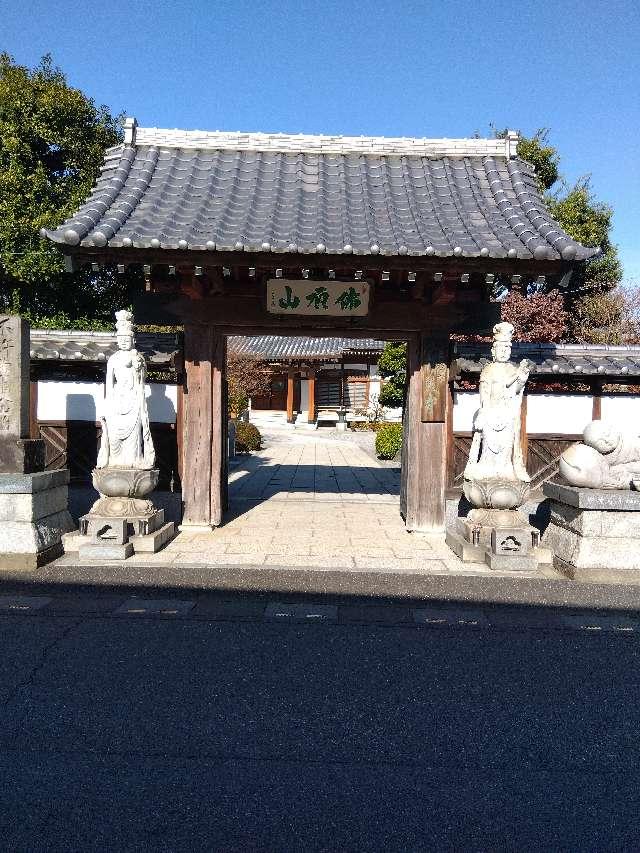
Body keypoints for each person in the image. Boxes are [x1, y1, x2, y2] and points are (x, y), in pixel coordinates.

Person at [464, 322, 530, 483]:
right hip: (491, 412)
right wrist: (483, 413)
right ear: (493, 351)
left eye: (507, 348)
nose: (503, 352)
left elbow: (515, 391)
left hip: (507, 414)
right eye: (500, 348)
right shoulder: (488, 370)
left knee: (506, 446)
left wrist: (522, 378)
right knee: (489, 447)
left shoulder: (513, 369)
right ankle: (486, 469)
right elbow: (484, 394)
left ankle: (506, 470)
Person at [96, 310, 155, 470]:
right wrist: (106, 405)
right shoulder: (113, 359)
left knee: (133, 438)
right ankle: (114, 462)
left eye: (126, 339)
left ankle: (133, 462)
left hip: (133, 400)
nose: (123, 342)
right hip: (116, 400)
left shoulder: (138, 357)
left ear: (133, 340)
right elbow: (109, 383)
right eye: (120, 339)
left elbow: (142, 381)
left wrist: (139, 369)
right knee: (114, 437)